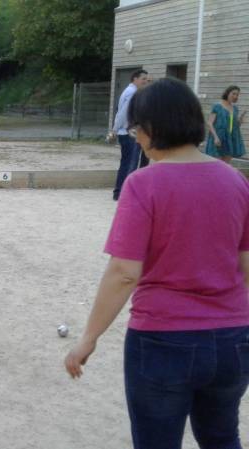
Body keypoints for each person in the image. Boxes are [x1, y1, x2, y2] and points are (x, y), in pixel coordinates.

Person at [65, 78, 249, 449]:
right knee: (221, 437)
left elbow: (124, 273)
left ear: (153, 127)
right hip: (234, 338)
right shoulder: (236, 181)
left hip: (165, 339)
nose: (135, 136)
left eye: (136, 127)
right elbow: (246, 265)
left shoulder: (143, 184)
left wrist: (88, 337)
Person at [110, 69, 149, 201]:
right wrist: (115, 129)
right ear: (135, 79)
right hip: (129, 133)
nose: (145, 81)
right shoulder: (132, 93)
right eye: (143, 78)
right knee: (130, 164)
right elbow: (122, 113)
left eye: (146, 79)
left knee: (127, 163)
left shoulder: (130, 91)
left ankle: (120, 192)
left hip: (127, 132)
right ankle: (123, 193)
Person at [204, 85, 246, 163]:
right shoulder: (217, 106)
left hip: (230, 138)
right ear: (227, 93)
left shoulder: (235, 108)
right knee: (217, 163)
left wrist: (240, 121)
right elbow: (209, 122)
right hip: (219, 137)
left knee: (226, 164)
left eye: (237, 94)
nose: (235, 96)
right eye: (233, 93)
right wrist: (215, 137)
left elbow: (235, 126)